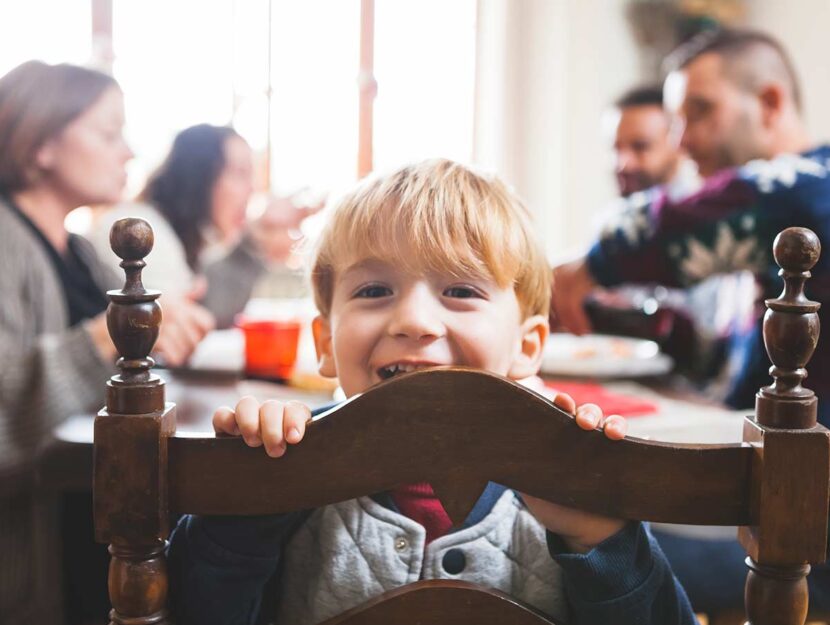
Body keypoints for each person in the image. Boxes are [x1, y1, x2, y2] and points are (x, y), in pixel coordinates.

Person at [166, 159, 696, 625]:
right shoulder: (287, 464)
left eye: (460, 291)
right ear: (325, 342)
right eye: (374, 291)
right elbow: (190, 610)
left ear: (527, 345)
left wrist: (600, 538)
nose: (416, 321)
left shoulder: (571, 480)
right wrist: (246, 502)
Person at [551, 28, 830, 614]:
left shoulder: (811, 191)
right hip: (770, 498)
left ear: (771, 103)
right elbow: (714, 358)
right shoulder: (768, 251)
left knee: (560, 544)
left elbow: (745, 204)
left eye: (699, 112)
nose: (683, 141)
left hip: (808, 541)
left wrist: (588, 268)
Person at [0, 60, 213, 623]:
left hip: (94, 537)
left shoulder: (81, 251)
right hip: (28, 564)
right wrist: (100, 341)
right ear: (41, 142)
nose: (128, 152)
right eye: (109, 132)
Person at [90, 124, 315, 329]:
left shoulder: (191, 239)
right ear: (200, 174)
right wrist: (256, 242)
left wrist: (258, 240)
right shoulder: (141, 231)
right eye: (240, 173)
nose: (251, 190)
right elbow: (187, 327)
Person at [609, 84, 700, 200]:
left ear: (679, 143)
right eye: (616, 148)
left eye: (640, 147)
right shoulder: (613, 216)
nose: (623, 164)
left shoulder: (711, 210)